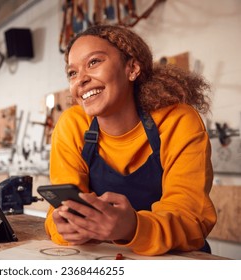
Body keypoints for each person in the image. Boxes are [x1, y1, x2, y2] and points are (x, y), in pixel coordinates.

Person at [44, 24, 217, 256]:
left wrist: (133, 227)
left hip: (176, 259)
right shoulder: (72, 125)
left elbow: (191, 218)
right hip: (105, 256)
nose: (81, 80)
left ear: (132, 68)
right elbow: (59, 210)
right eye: (72, 73)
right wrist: (63, 226)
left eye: (94, 62)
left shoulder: (177, 120)